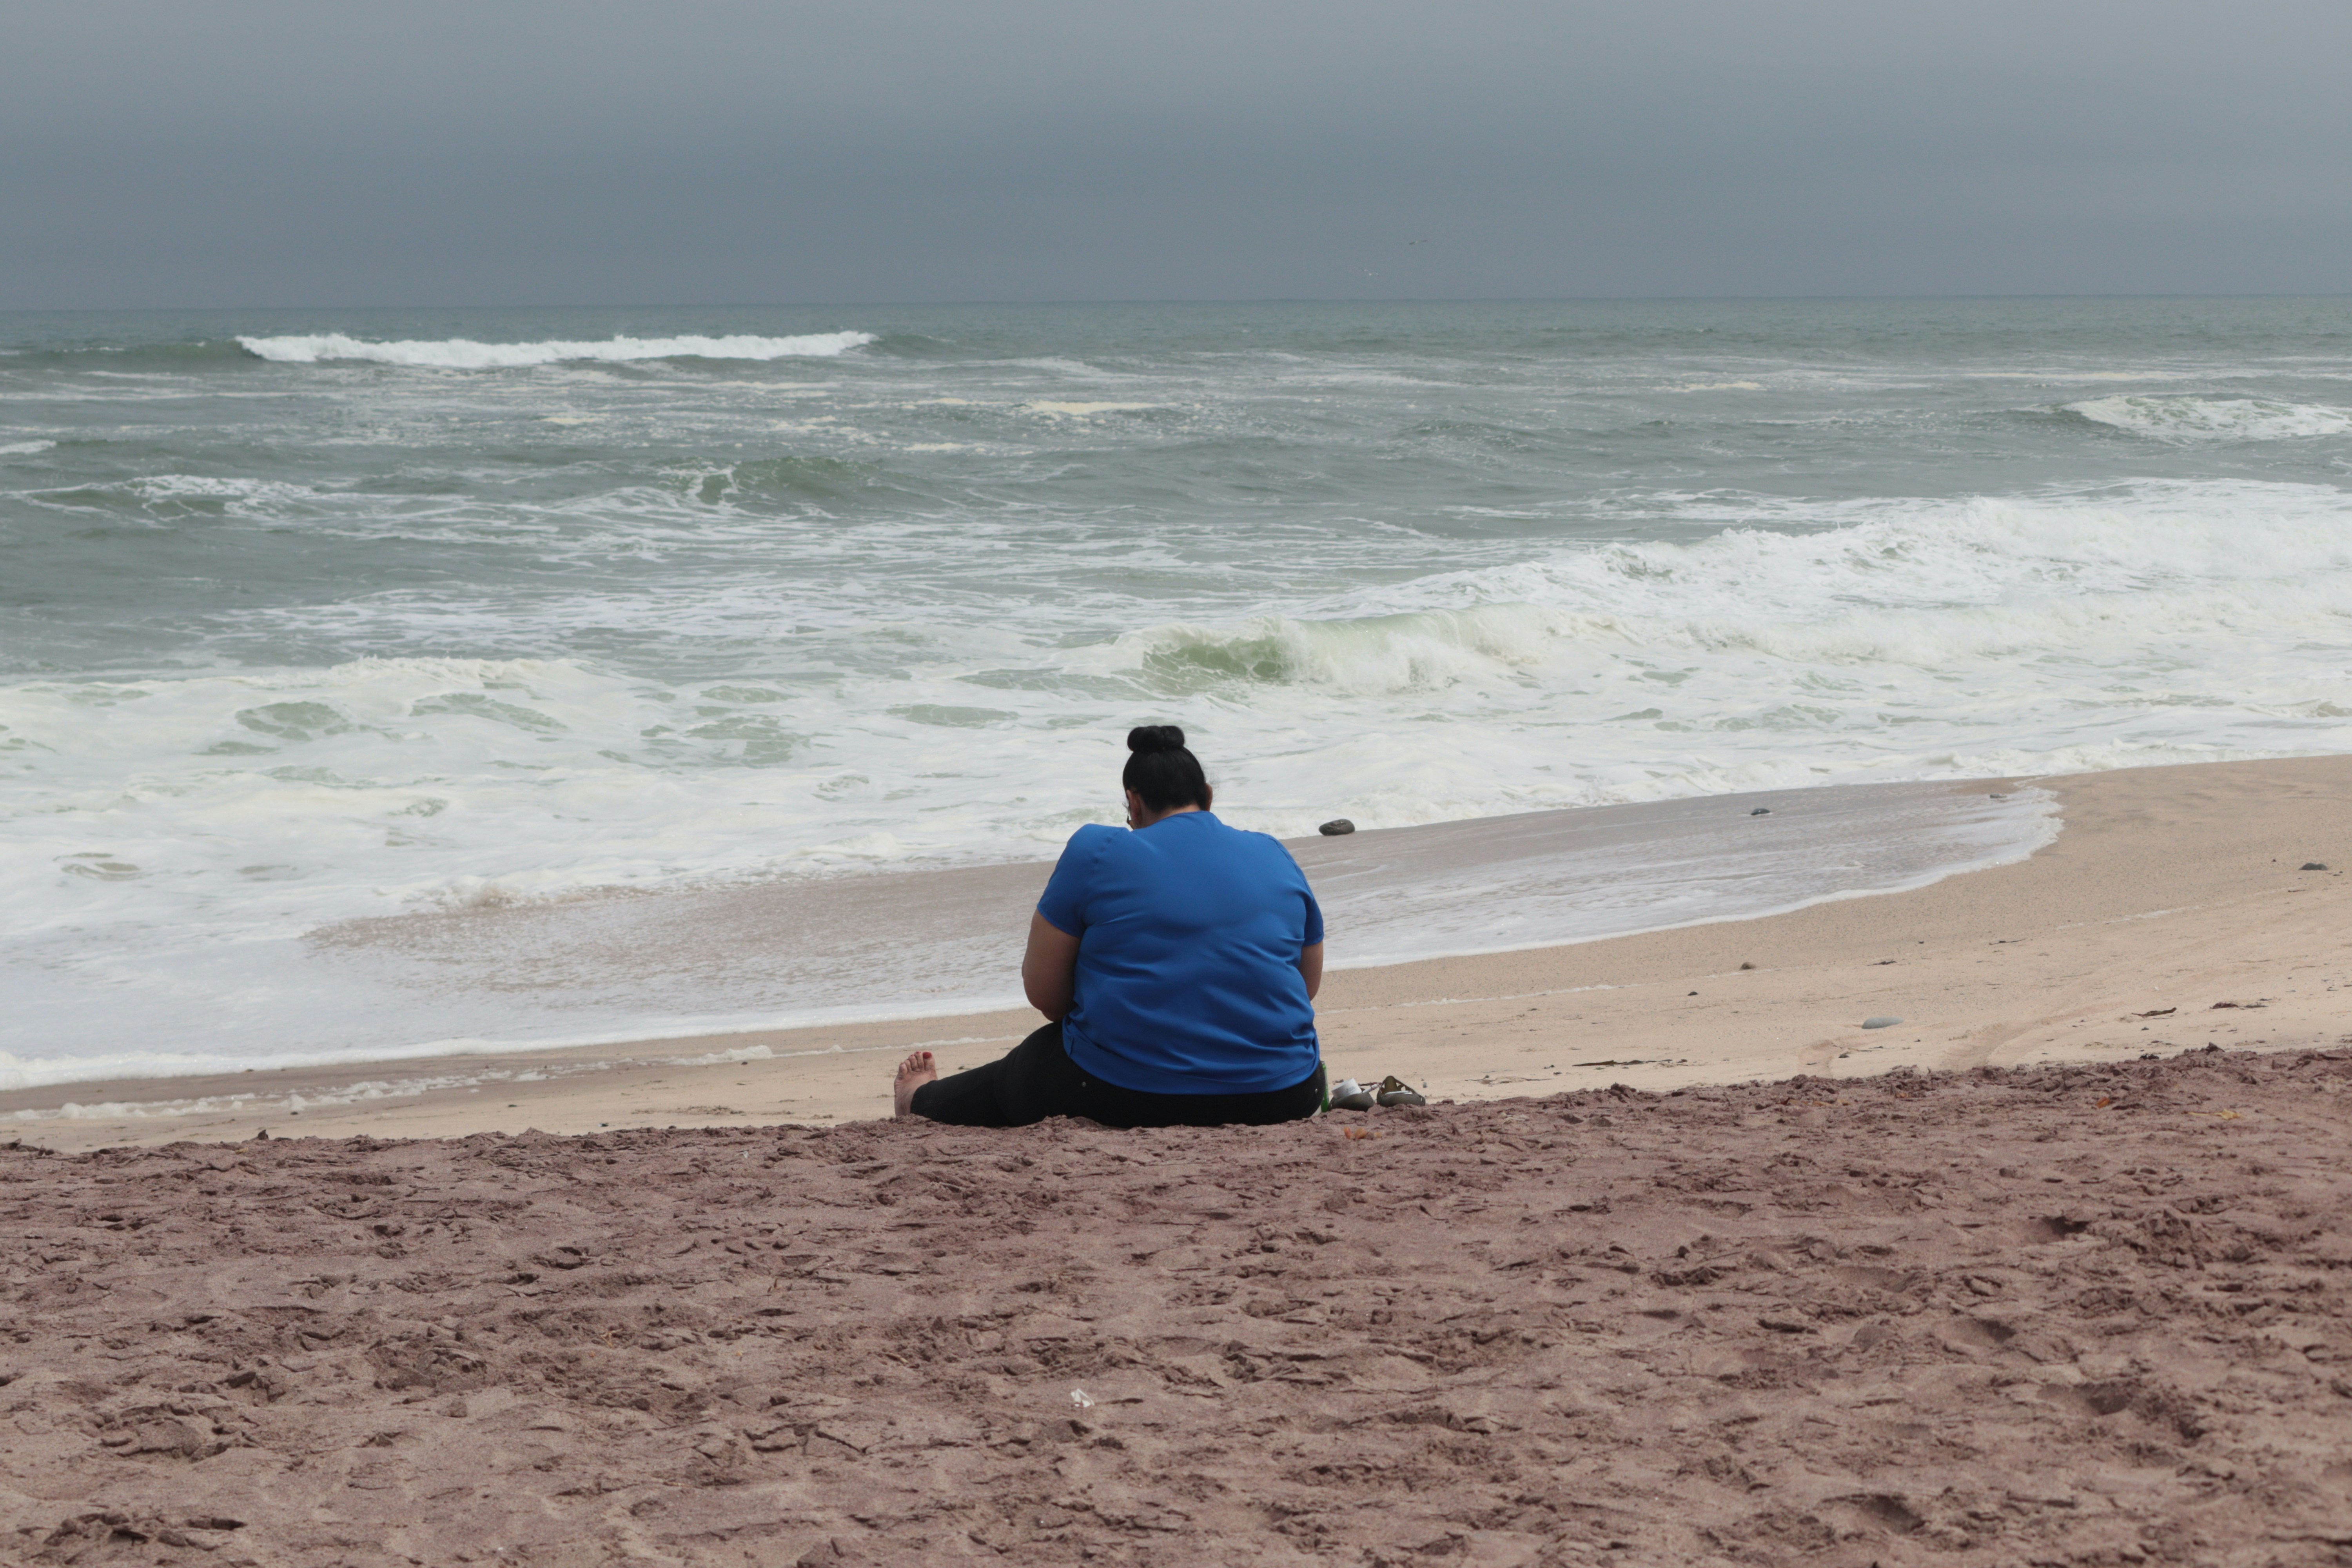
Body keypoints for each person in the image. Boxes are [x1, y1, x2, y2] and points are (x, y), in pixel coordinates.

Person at [892, 724, 1327, 1128]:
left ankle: (918, 1100)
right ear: (1208, 796)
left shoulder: (1097, 848)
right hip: (1288, 1092)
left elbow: (1046, 997)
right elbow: (1304, 985)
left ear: (1133, 802)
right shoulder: (1274, 853)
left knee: (1030, 1064)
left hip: (1129, 1094)